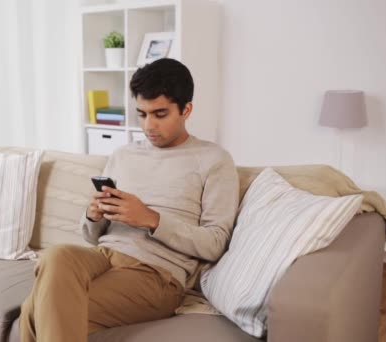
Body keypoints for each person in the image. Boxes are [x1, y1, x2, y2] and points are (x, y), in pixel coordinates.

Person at [19, 58, 240, 342]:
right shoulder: (123, 155)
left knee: (36, 309)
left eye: (160, 114)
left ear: (186, 110)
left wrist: (151, 219)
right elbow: (91, 236)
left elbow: (216, 243)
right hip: (102, 257)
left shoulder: (214, 160)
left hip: (155, 275)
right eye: (142, 114)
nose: (149, 125)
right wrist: (94, 215)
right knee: (57, 254)